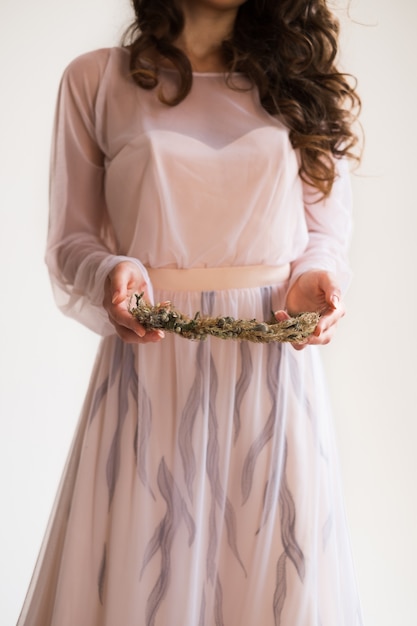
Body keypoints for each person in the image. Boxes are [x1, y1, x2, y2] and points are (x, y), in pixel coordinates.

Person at [18, 1, 363, 625]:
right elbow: (70, 241)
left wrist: (315, 280)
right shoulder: (95, 80)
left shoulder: (299, 85)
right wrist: (111, 273)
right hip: (151, 369)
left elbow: (324, 234)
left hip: (271, 379)